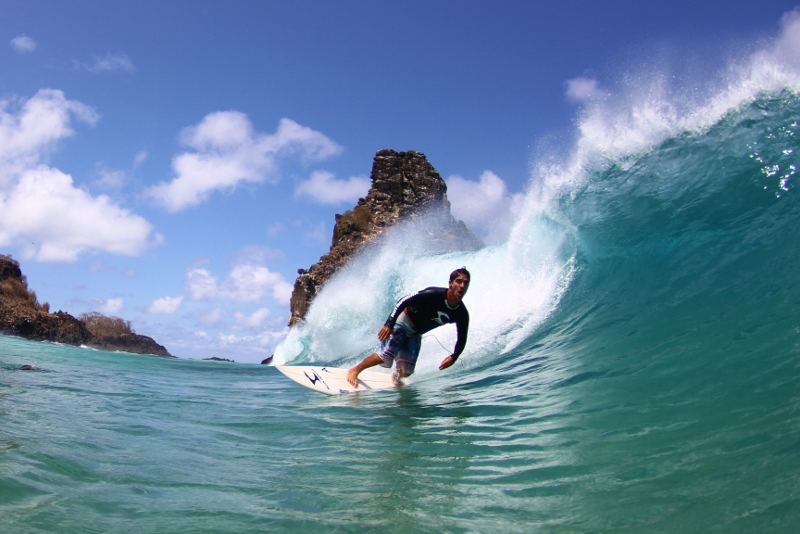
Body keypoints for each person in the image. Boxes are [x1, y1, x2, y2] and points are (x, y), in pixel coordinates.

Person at [346, 267, 470, 387]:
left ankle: (395, 378)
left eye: (465, 283)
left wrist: (454, 356)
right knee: (386, 355)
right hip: (404, 321)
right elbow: (404, 300)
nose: (462, 286)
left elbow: (462, 338)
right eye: (458, 281)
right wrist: (389, 323)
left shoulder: (461, 314)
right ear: (450, 283)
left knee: (407, 371)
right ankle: (355, 370)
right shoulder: (435, 294)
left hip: (416, 333)